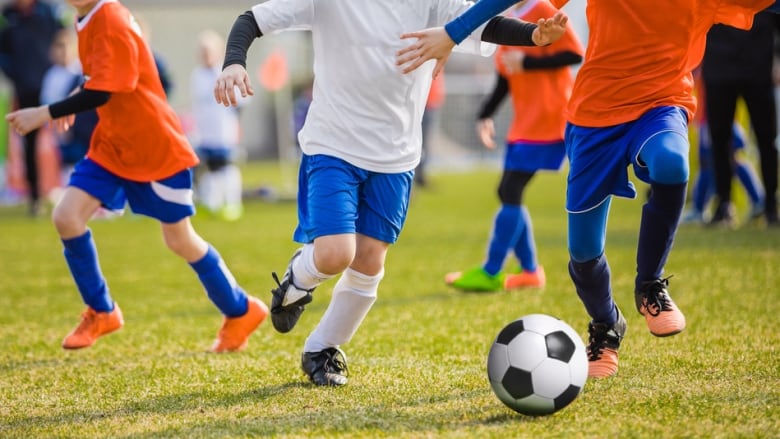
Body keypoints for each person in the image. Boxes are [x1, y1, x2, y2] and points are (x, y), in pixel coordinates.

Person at [396, 0, 779, 378]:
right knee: (583, 251)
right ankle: (606, 324)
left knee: (671, 162)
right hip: (594, 119)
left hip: (661, 104)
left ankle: (650, 286)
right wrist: (452, 33)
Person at [214, 0, 567, 386]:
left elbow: (484, 25)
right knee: (335, 253)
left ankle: (323, 349)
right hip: (333, 146)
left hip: (396, 156)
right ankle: (297, 281)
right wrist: (233, 61)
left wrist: (533, 35)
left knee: (368, 262)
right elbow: (252, 19)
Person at [5, 0, 268, 352]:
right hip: (113, 147)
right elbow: (96, 77)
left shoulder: (111, 17)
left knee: (180, 240)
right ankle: (102, 311)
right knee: (66, 217)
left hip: (154, 149)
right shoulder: (83, 18)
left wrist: (46, 112)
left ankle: (241, 310)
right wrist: (72, 94)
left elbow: (107, 89)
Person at [445, 0, 583, 293]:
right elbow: (506, 77)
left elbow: (574, 54)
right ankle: (530, 271)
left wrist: (527, 63)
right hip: (525, 123)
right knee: (509, 191)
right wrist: (485, 113)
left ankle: (493, 270)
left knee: (509, 190)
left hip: (549, 118)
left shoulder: (542, 8)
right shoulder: (506, 16)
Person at [702, 11, 780, 227]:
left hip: (758, 67)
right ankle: (724, 204)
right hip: (719, 67)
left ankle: (771, 206)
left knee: (766, 139)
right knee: (719, 140)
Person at [0, 0, 65, 216]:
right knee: (29, 143)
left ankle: (67, 193)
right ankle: (35, 197)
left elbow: (63, 39)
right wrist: (16, 76)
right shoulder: (8, 16)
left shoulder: (48, 12)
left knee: (63, 137)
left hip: (52, 86)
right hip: (26, 89)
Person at [190, 29, 245, 221]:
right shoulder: (197, 75)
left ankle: (233, 203)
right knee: (210, 168)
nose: (205, 55)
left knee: (226, 167)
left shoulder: (225, 73)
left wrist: (237, 126)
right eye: (202, 51)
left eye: (209, 51)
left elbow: (239, 104)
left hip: (224, 130)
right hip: (206, 131)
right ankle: (212, 202)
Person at [39, 28, 96, 187]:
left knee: (89, 162)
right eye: (59, 47)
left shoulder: (83, 72)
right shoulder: (52, 76)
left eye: (66, 47)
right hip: (64, 128)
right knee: (68, 162)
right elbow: (47, 102)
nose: (63, 52)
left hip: (86, 128)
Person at [415, 72, 446, 188]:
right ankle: (414, 178)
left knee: (425, 144)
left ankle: (420, 176)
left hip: (432, 103)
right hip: (424, 103)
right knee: (418, 143)